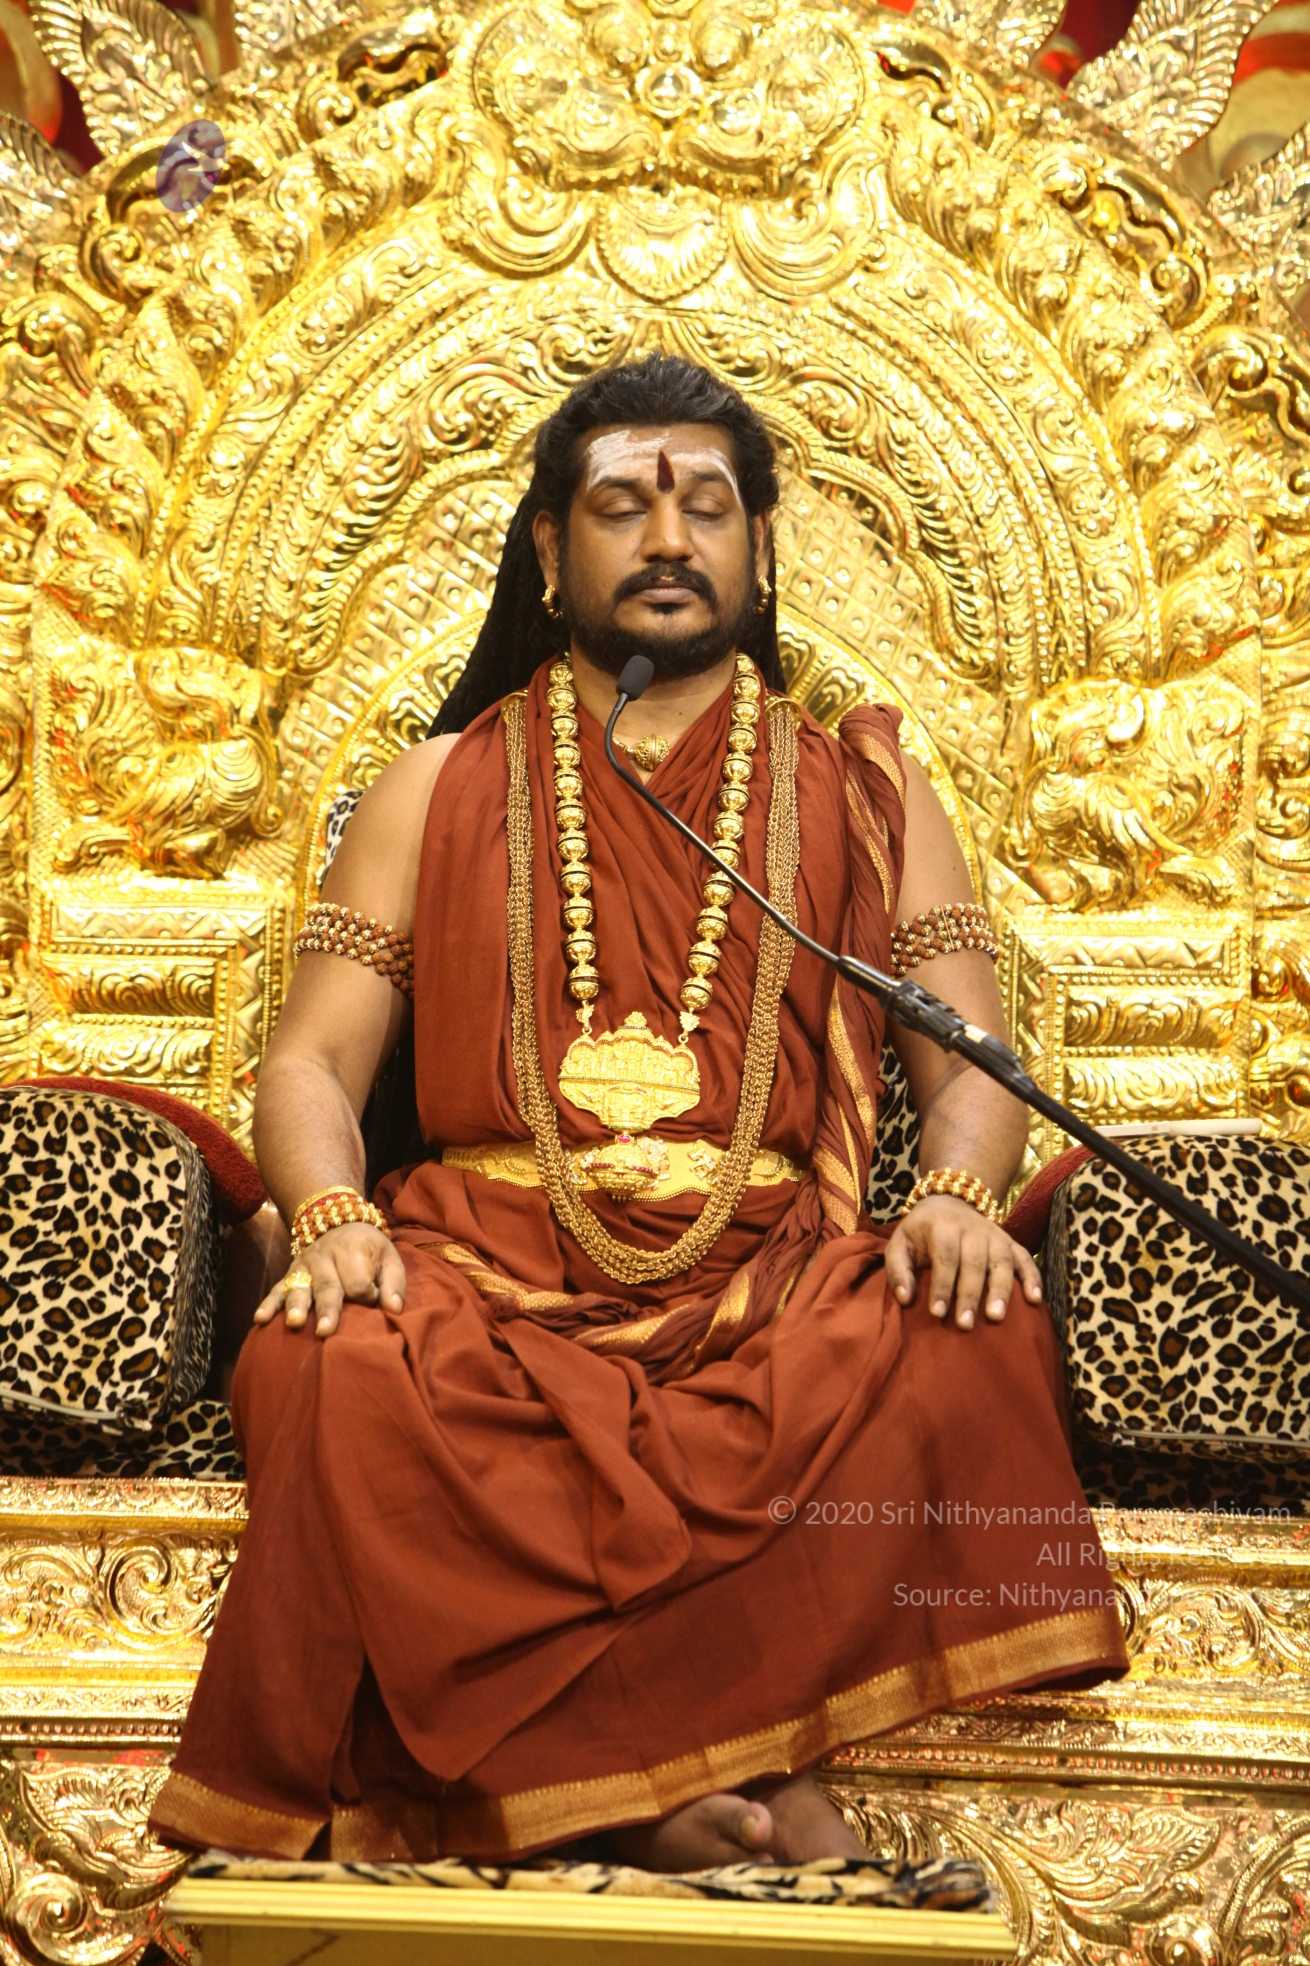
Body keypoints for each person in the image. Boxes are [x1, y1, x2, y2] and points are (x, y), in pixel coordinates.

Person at [147, 353, 1128, 1873]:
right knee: (324, 1361)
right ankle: (725, 1780)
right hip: (486, 1271)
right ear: (550, 551)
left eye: (706, 507)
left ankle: (611, 1785)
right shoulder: (433, 786)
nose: (668, 538)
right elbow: (312, 1065)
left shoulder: (866, 795)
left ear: (760, 545)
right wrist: (333, 1217)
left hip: (773, 1281)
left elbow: (970, 1067)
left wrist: (952, 1199)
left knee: (965, 1334)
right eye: (621, 506)